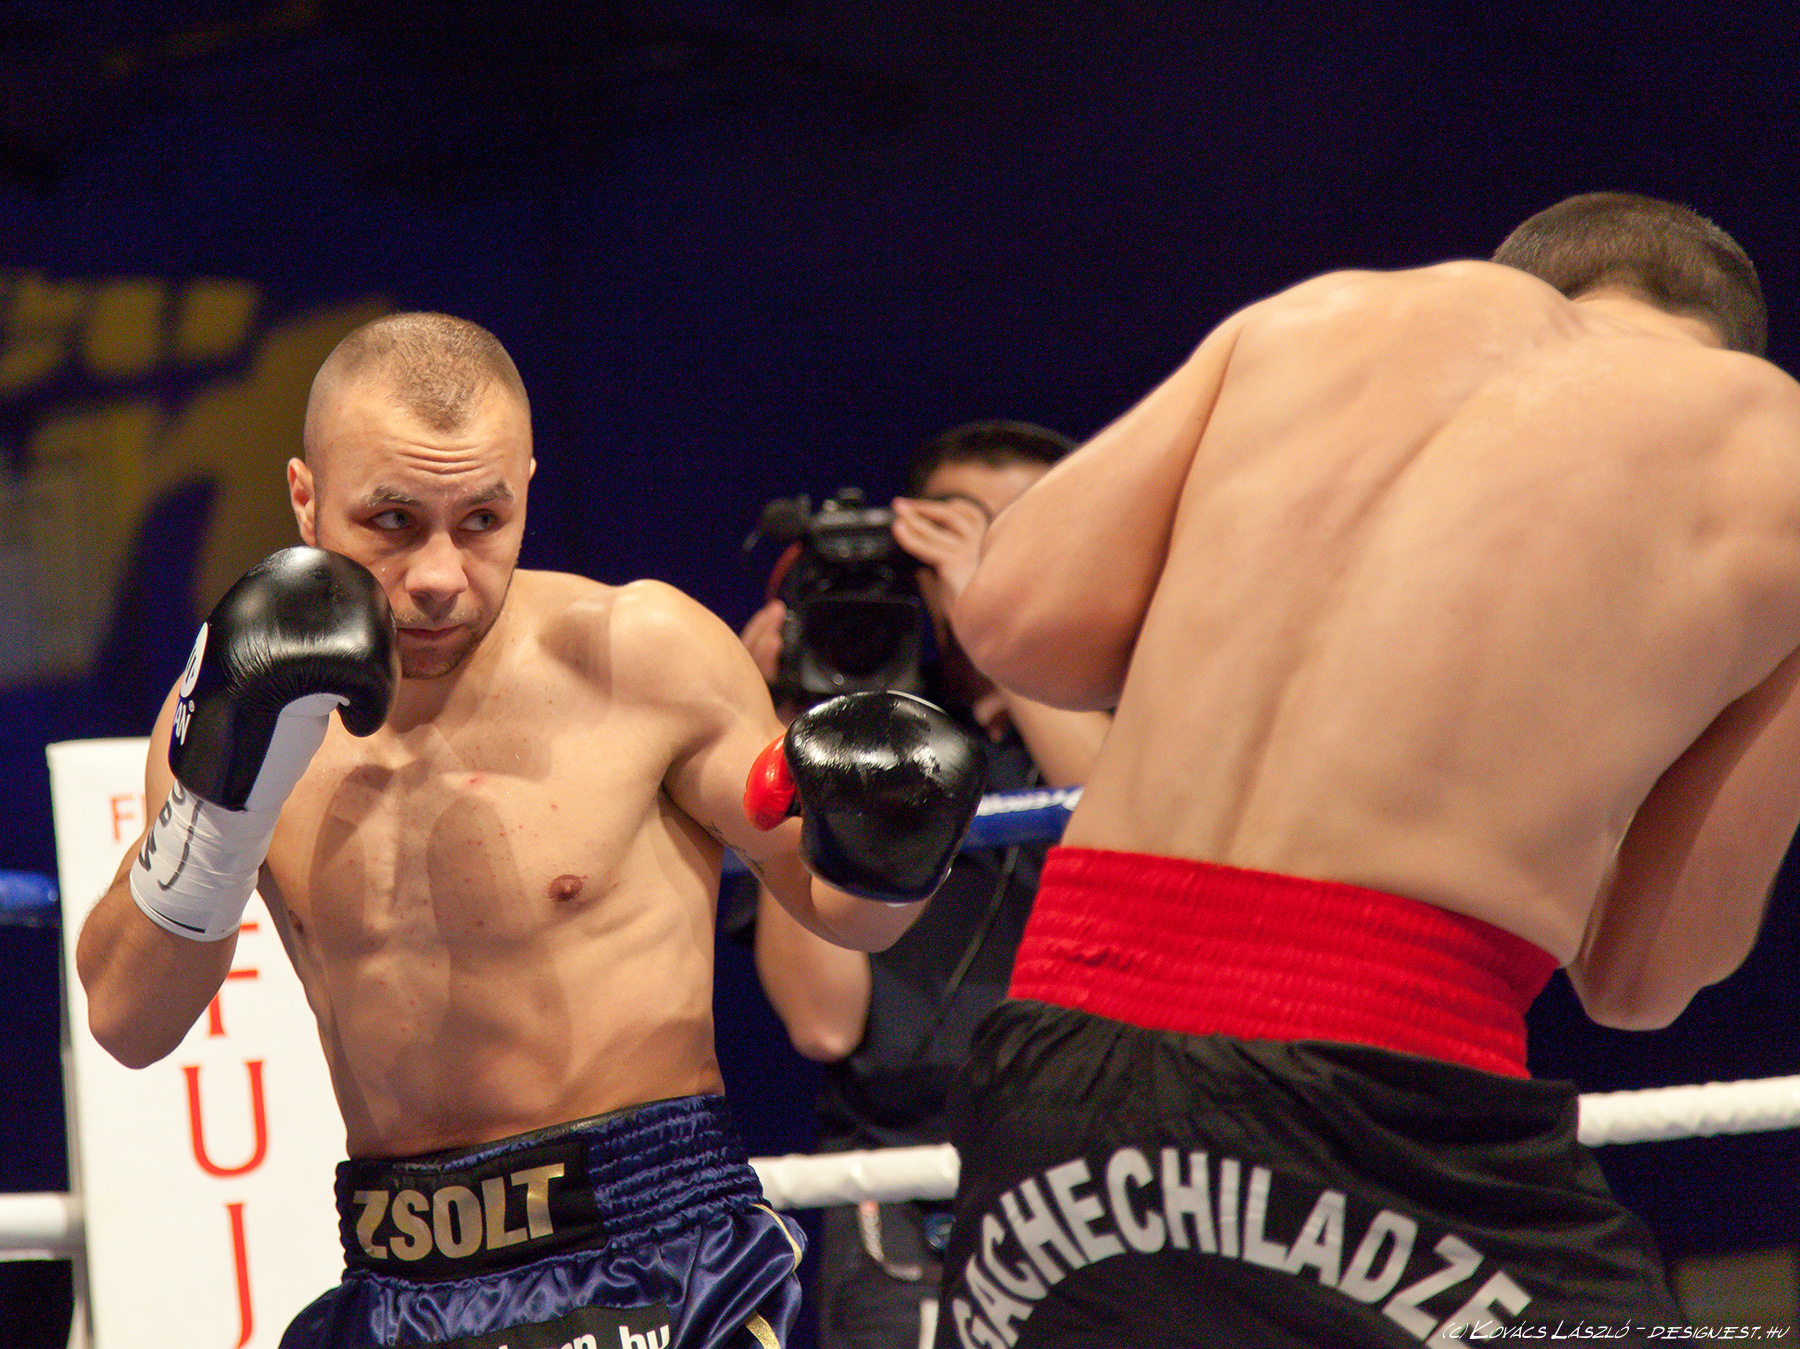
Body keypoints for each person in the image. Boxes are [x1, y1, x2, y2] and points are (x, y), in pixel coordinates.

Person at [931, 193, 1798, 1346]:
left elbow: (1014, 622)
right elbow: (1640, 976)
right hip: (1383, 1088)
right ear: (1737, 350)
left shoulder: (1322, 315)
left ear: (1527, 279)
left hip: (1060, 1055)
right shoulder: (1776, 456)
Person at [72, 312, 985, 1349]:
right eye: (392, 520)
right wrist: (220, 804)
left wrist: (902, 837)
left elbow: (845, 911)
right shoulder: (237, 701)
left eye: (481, 520)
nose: (438, 575)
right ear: (305, 497)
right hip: (400, 1273)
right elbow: (129, 1022)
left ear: (527, 489)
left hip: (655, 1251)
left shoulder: (642, 655)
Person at [737, 423, 1112, 1349]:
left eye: (1016, 535)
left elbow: (1125, 830)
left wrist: (1001, 621)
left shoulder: (1123, 708)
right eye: (960, 533)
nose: (982, 561)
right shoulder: (868, 743)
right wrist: (788, 722)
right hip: (892, 1193)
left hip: (1100, 1172)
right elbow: (821, 1023)